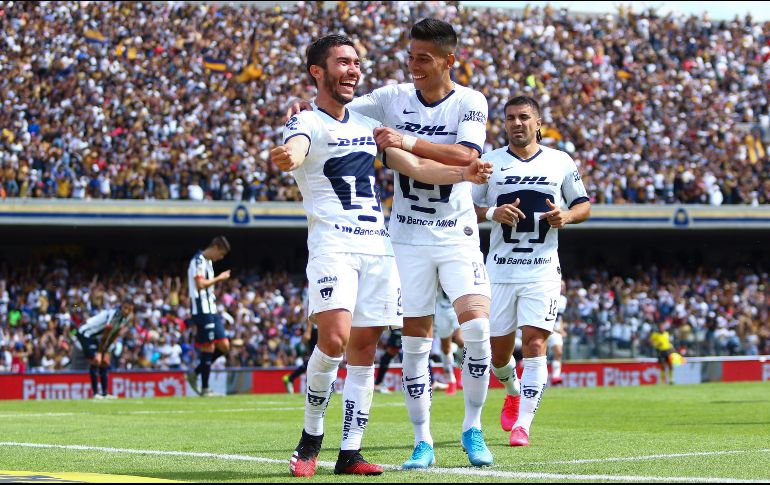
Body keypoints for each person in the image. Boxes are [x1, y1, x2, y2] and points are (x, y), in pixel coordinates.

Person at [270, 34, 490, 478]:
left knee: (365, 350)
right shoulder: (306, 122)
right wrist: (287, 156)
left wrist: (463, 172)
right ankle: (310, 439)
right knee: (333, 340)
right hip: (333, 245)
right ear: (317, 71)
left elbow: (415, 167)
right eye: (343, 63)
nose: (353, 70)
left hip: (377, 245)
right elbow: (295, 147)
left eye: (356, 63)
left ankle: (349, 453)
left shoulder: (365, 127)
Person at [473, 95, 591, 447]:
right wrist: (493, 213)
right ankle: (512, 389)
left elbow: (583, 204)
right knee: (498, 354)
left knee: (536, 342)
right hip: (499, 270)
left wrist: (566, 216)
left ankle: (523, 424)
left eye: (524, 117)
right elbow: (465, 206)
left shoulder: (560, 161)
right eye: (510, 118)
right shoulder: (490, 163)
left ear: (538, 123)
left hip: (542, 270)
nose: (517, 123)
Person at [186, 236, 231, 397]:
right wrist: (219, 278)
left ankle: (195, 374)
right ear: (216, 247)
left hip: (211, 309)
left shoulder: (208, 263)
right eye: (221, 254)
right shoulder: (197, 260)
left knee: (224, 346)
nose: (220, 258)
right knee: (209, 346)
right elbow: (200, 285)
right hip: (201, 310)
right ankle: (205, 388)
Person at [75, 298, 135, 399]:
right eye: (125, 308)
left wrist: (106, 351)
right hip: (85, 333)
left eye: (129, 310)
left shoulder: (126, 318)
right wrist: (99, 351)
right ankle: (95, 393)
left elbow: (114, 335)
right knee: (96, 360)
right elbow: (106, 334)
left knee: (105, 362)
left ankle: (105, 393)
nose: (127, 311)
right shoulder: (113, 314)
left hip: (96, 337)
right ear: (121, 306)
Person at [433, 287, 462, 395]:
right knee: (445, 348)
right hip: (441, 308)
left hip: (458, 305)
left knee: (461, 341)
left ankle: (460, 372)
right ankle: (451, 380)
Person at [283, 319, 318, 394]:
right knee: (315, 359)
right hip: (315, 331)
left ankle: (291, 378)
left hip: (320, 330)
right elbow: (311, 312)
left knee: (315, 360)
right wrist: (308, 330)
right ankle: (309, 387)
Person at [547, 280, 568, 385]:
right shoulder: (546, 295)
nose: (562, 287)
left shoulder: (563, 299)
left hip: (555, 331)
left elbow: (560, 317)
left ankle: (556, 376)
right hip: (544, 329)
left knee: (559, 352)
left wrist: (562, 329)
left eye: (563, 286)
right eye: (561, 285)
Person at [373, 328, 401, 394]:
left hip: (399, 327)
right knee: (390, 353)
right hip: (396, 325)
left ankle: (378, 383)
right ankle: (378, 384)